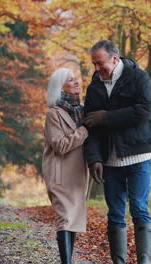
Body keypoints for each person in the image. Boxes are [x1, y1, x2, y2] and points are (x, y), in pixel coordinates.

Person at [83, 40, 151, 264]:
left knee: (139, 209)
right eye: (93, 64)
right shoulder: (94, 87)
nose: (96, 69)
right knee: (115, 213)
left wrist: (106, 116)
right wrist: (94, 158)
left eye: (100, 63)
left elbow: (144, 111)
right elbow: (90, 127)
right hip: (110, 161)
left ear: (114, 59)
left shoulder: (138, 78)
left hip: (139, 157)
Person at [42, 68, 88, 264]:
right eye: (71, 80)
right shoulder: (53, 114)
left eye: (75, 78)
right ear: (60, 87)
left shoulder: (83, 110)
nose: (76, 82)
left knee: (74, 220)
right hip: (59, 174)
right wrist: (84, 131)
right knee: (65, 219)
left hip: (78, 174)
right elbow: (60, 145)